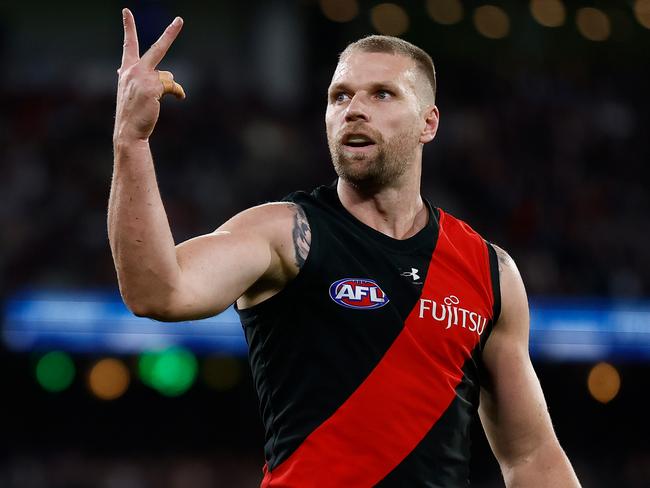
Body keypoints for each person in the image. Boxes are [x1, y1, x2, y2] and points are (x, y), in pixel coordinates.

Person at [109, 8, 582, 487]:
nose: (354, 108)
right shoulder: (284, 234)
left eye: (382, 94)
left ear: (428, 122)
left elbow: (532, 457)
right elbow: (156, 291)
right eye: (340, 96)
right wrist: (132, 139)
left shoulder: (489, 269)